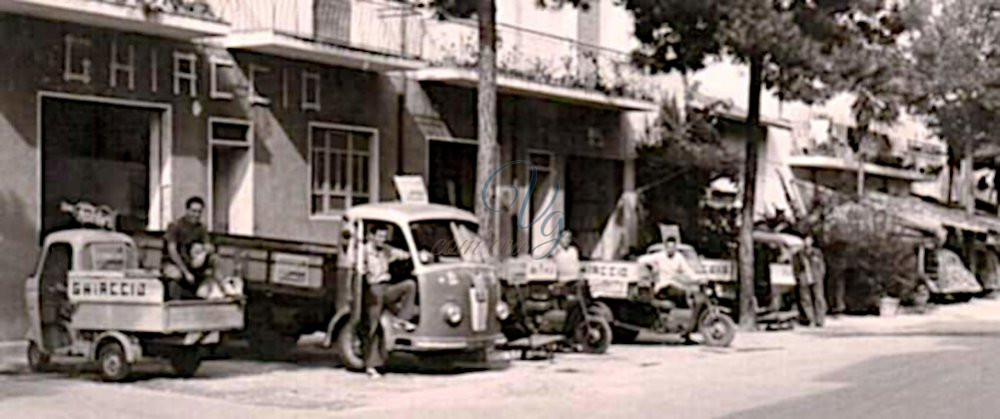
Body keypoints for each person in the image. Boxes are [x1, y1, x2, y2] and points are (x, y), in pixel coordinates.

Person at [361, 227, 418, 378]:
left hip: (386, 287)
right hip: (373, 289)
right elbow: (358, 268)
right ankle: (371, 366)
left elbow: (401, 254)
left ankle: (402, 319)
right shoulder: (364, 251)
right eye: (379, 236)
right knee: (373, 327)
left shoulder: (386, 250)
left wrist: (417, 255)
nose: (382, 240)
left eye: (384, 237)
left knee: (409, 285)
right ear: (371, 236)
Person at [637, 235, 704, 338]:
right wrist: (650, 269)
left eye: (673, 247)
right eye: (668, 247)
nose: (670, 249)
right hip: (662, 287)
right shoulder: (659, 256)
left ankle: (684, 327)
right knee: (683, 294)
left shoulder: (679, 258)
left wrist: (698, 278)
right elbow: (641, 260)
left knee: (688, 296)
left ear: (675, 247)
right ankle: (679, 324)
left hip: (673, 285)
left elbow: (688, 271)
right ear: (665, 247)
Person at [162, 196, 213, 299]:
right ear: (187, 210)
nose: (196, 215)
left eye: (199, 212)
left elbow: (208, 245)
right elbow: (172, 252)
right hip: (173, 263)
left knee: (213, 263)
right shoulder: (175, 226)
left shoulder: (201, 228)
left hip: (191, 263)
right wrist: (186, 272)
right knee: (176, 275)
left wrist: (204, 250)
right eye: (193, 211)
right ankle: (173, 302)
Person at [793, 236, 828, 327]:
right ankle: (810, 319)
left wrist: (821, 274)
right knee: (805, 299)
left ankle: (820, 320)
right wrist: (798, 277)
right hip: (804, 277)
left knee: (819, 298)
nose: (806, 242)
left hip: (816, 277)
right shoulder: (799, 254)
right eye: (805, 240)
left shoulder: (816, 253)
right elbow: (796, 267)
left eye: (808, 240)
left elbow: (821, 265)